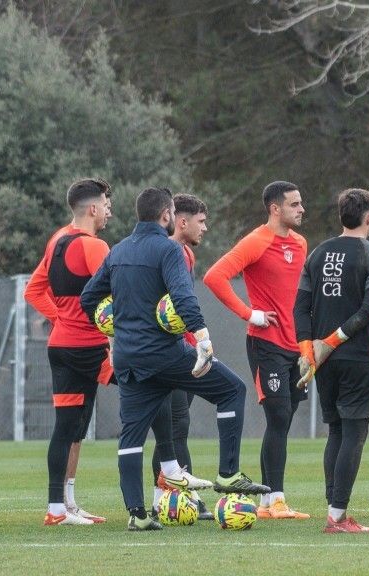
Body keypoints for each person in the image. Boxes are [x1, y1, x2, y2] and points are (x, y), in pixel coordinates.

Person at [81, 187, 269, 531]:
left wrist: (113, 328)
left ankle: (137, 515)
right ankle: (227, 474)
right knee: (232, 390)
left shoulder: (118, 250)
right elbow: (183, 298)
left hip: (128, 358)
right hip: (166, 353)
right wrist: (202, 338)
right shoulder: (169, 249)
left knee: (131, 436)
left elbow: (88, 298)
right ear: (167, 216)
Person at [204, 181, 310, 520]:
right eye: (294, 204)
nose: (301, 209)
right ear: (275, 209)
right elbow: (215, 276)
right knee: (278, 417)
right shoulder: (257, 241)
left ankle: (267, 502)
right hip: (266, 344)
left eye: (301, 203)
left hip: (297, 347)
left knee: (285, 418)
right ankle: (275, 499)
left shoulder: (301, 242)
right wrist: (250, 313)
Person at [294, 188, 369, 534]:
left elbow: (300, 307)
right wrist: (330, 343)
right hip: (356, 357)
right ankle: (337, 517)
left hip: (323, 360)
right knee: (354, 432)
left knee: (335, 429)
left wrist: (310, 350)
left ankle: (333, 510)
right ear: (368, 218)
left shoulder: (317, 253)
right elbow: (367, 311)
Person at [25, 178, 113, 526]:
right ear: (92, 209)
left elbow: (33, 291)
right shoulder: (95, 246)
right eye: (106, 204)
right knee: (156, 388)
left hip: (60, 346)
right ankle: (164, 482)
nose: (108, 210)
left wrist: (61, 318)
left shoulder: (56, 241)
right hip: (90, 350)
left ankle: (61, 507)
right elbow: (119, 295)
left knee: (70, 427)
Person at [149, 194, 214, 520]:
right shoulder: (169, 252)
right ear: (182, 221)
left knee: (175, 426)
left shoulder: (185, 253)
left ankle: (169, 497)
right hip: (170, 353)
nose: (205, 227)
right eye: (201, 221)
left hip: (184, 350)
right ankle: (164, 499)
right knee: (172, 427)